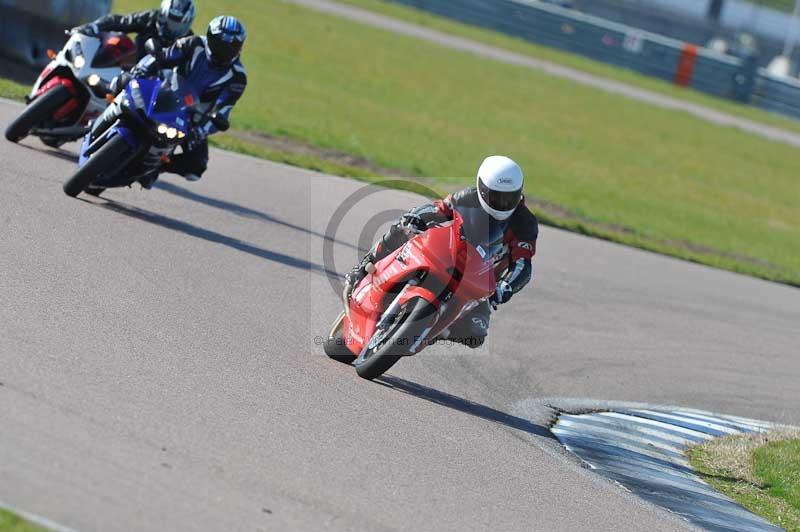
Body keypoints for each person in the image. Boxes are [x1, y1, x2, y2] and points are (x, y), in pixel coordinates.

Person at [344, 156, 538, 348]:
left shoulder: (525, 223)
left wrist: (506, 288)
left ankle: (431, 331)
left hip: (479, 280)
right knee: (404, 228)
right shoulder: (467, 197)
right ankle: (365, 265)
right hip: (447, 253)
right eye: (496, 196)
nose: (502, 203)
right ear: (482, 188)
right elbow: (439, 208)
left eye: (509, 197)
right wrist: (415, 218)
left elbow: (523, 264)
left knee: (476, 333)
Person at [91, 15, 247, 187]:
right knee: (125, 81)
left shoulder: (237, 78)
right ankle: (101, 111)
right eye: (220, 45)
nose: (223, 51)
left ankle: (157, 166)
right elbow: (162, 57)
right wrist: (141, 71)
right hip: (164, 91)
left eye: (231, 47)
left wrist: (201, 130)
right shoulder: (193, 43)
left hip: (191, 117)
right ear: (210, 39)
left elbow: (223, 111)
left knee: (196, 166)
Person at [71, 0, 196, 61]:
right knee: (119, 41)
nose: (170, 28)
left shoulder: (189, 43)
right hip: (130, 68)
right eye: (169, 21)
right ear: (162, 15)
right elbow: (122, 21)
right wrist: (94, 27)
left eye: (176, 25)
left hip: (154, 87)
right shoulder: (151, 18)